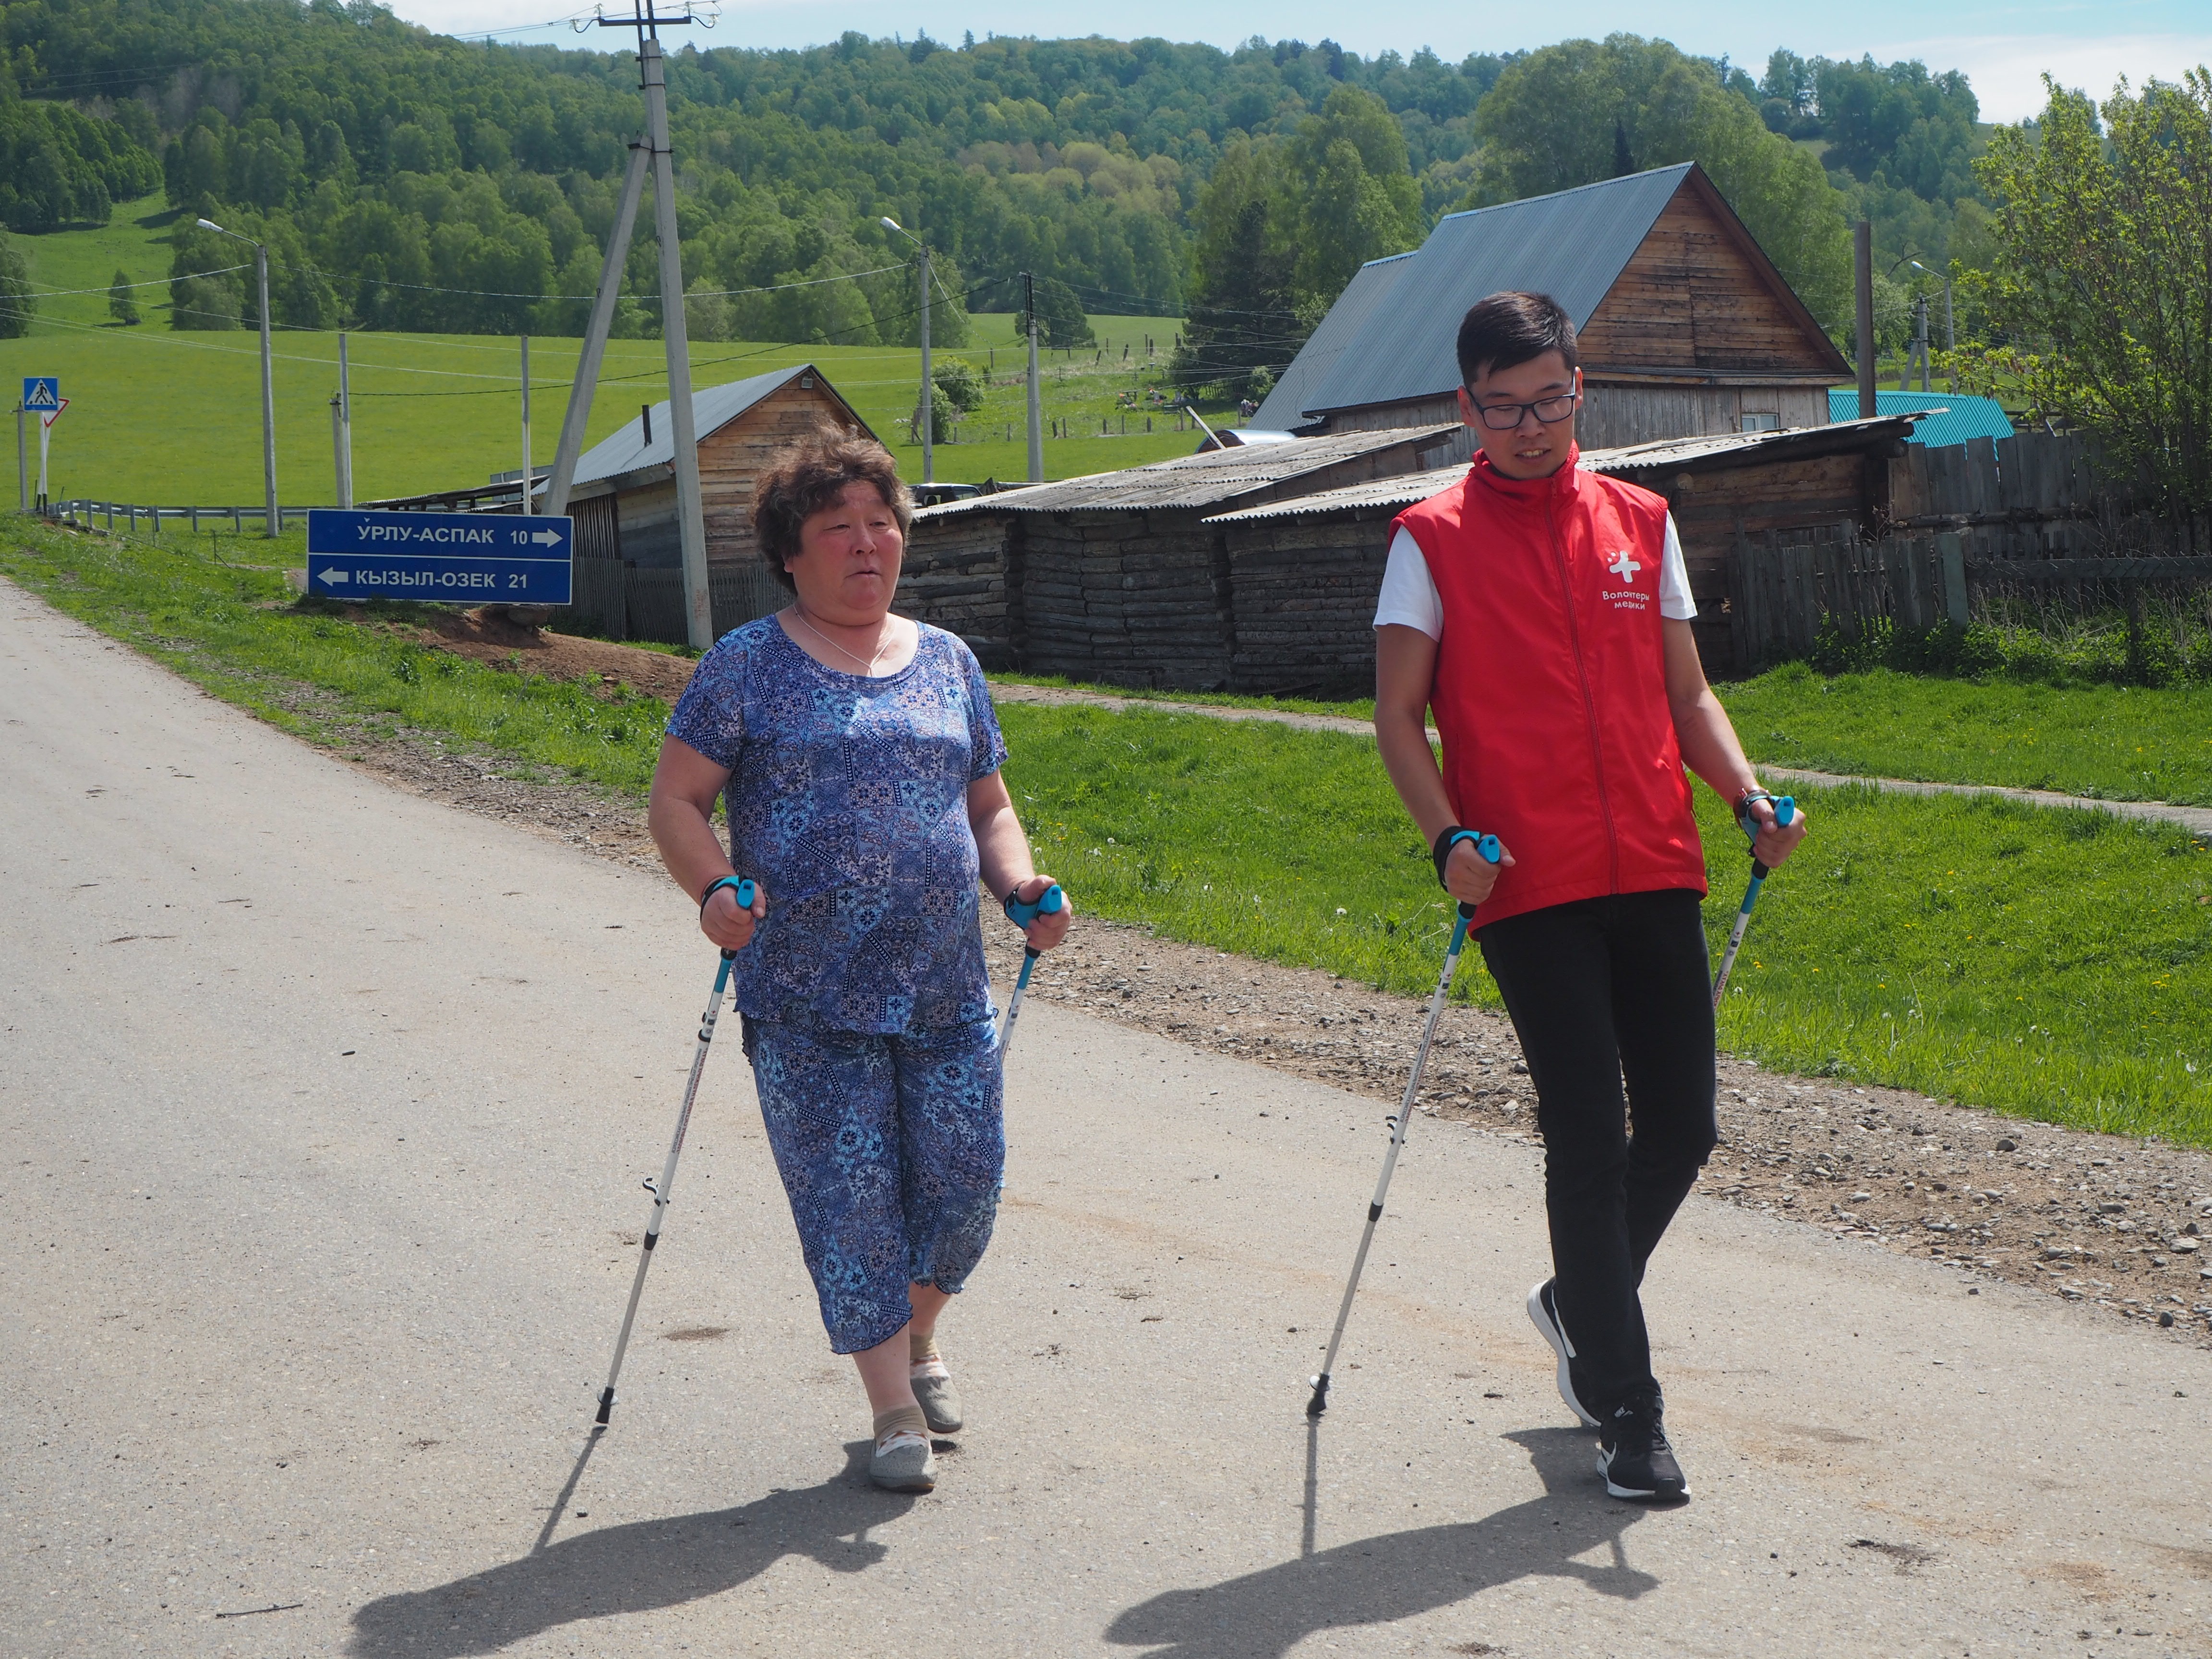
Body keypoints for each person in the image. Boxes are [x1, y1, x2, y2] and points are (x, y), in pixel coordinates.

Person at [1371, 291, 1807, 1503]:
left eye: (1548, 399)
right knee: (1586, 1138)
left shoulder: (1640, 520)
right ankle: (1626, 1407)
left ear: (1581, 388)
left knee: (1682, 1126)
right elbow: (1398, 718)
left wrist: (1747, 797)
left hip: (1658, 859)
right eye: (1501, 406)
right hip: (1527, 879)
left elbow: (1690, 694)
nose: (1527, 425)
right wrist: (1447, 835)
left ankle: (1577, 1301)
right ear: (1467, 406)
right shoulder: (1431, 535)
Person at [648, 427, 1070, 1495]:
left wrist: (1019, 886)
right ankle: (891, 1407)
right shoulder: (746, 664)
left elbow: (988, 802)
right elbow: (677, 803)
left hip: (941, 985)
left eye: (881, 524)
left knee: (966, 1185)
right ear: (791, 553)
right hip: (805, 993)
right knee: (851, 1203)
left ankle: (920, 1335)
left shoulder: (948, 661)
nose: (866, 544)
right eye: (838, 528)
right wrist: (714, 892)